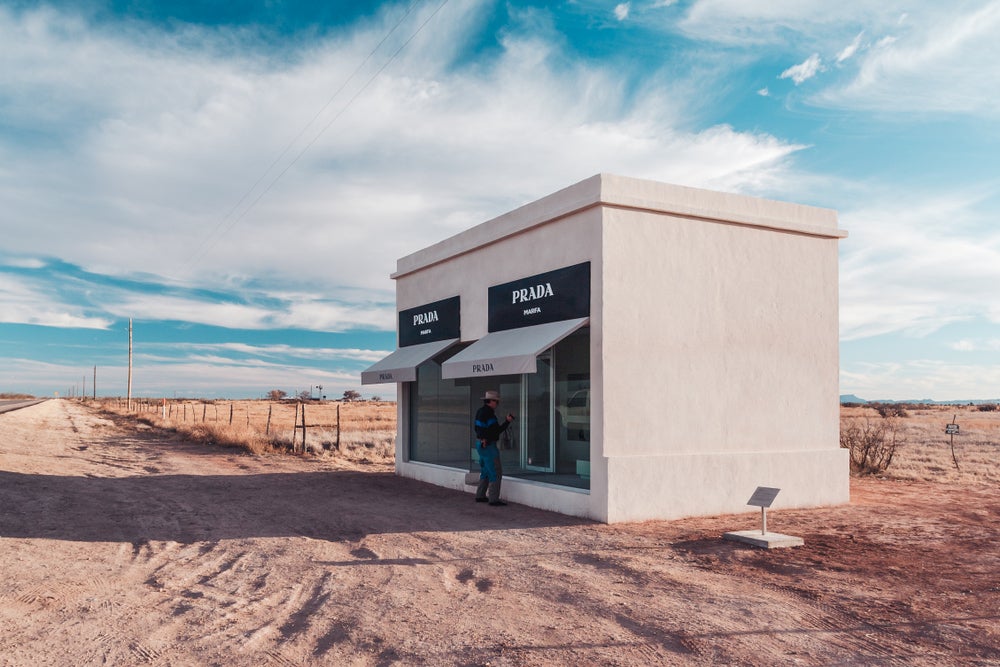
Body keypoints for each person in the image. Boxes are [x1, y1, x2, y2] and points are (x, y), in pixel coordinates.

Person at [474, 390, 514, 506]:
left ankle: (480, 495)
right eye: (496, 401)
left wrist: (482, 438)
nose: (497, 404)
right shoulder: (489, 414)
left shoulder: (479, 411)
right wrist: (507, 422)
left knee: (485, 470)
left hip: (480, 444)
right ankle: (493, 499)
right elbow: (496, 431)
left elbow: (477, 428)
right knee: (495, 471)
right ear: (491, 401)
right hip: (488, 445)